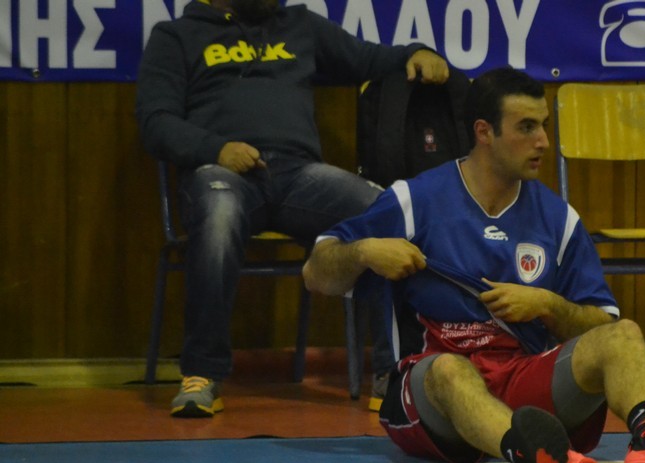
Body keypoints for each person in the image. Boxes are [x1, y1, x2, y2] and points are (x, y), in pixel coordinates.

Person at [303, 67, 645, 463]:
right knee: (449, 370)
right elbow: (316, 273)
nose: (543, 141)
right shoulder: (414, 201)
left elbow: (601, 324)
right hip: (433, 390)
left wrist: (547, 305)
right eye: (526, 127)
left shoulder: (558, 219)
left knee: (624, 334)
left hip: (521, 380)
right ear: (484, 132)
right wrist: (364, 250)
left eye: (544, 126)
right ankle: (533, 453)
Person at [136, 0, 448, 417]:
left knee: (385, 210)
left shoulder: (299, 24)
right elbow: (155, 121)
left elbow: (368, 58)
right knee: (219, 218)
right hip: (221, 172)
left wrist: (416, 52)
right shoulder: (176, 36)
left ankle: (394, 373)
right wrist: (217, 149)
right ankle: (201, 374)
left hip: (299, 176)